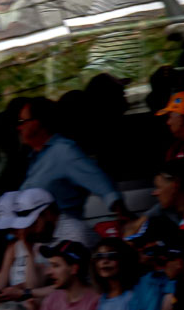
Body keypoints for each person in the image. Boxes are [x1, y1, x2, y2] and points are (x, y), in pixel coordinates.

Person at [14, 98, 127, 245]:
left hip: (64, 239)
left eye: (22, 121)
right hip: (40, 241)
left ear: (37, 123)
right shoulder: (35, 157)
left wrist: (121, 212)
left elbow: (99, 181)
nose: (19, 127)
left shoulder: (64, 151)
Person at [35, 241, 97, 310]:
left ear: (74, 269)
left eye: (56, 265)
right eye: (50, 265)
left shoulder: (96, 300)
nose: (48, 272)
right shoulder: (51, 299)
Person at [90, 240, 137, 310]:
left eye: (112, 256)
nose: (105, 261)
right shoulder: (102, 300)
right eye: (99, 256)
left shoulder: (133, 296)